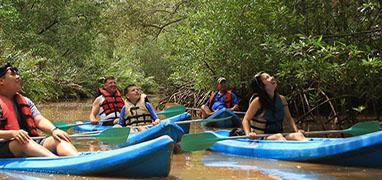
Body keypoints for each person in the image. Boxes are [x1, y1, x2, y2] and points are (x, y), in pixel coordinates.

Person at [0, 63, 78, 158]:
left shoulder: (26, 101)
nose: (18, 77)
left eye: (17, 74)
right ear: (1, 81)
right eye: (12, 74)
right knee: (23, 142)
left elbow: (39, 120)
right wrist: (12, 133)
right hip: (7, 145)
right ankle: (56, 161)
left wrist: (54, 130)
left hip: (31, 142)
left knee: (58, 138)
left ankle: (77, 160)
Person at [242, 71, 305, 140]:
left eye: (270, 76)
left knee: (298, 136)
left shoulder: (282, 99)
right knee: (278, 137)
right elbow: (246, 119)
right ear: (261, 85)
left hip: (279, 135)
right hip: (260, 137)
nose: (272, 78)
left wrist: (296, 131)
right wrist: (248, 134)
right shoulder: (257, 101)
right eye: (267, 78)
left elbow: (289, 118)